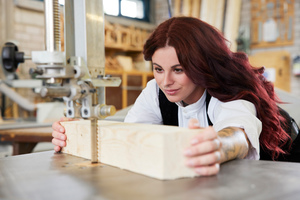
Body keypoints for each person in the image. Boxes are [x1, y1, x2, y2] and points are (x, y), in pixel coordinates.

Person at [52, 17, 290, 176]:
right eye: (158, 69)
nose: (166, 82)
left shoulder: (226, 92)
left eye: (178, 69)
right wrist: (76, 133)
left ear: (202, 66)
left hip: (285, 167)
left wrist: (217, 145)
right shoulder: (156, 91)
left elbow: (238, 135)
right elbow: (132, 134)